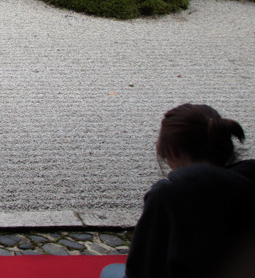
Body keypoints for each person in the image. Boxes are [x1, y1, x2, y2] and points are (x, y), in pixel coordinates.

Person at [103, 104, 255, 278]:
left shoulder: (170, 195)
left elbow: (142, 268)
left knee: (110, 272)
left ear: (173, 152)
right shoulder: (248, 181)